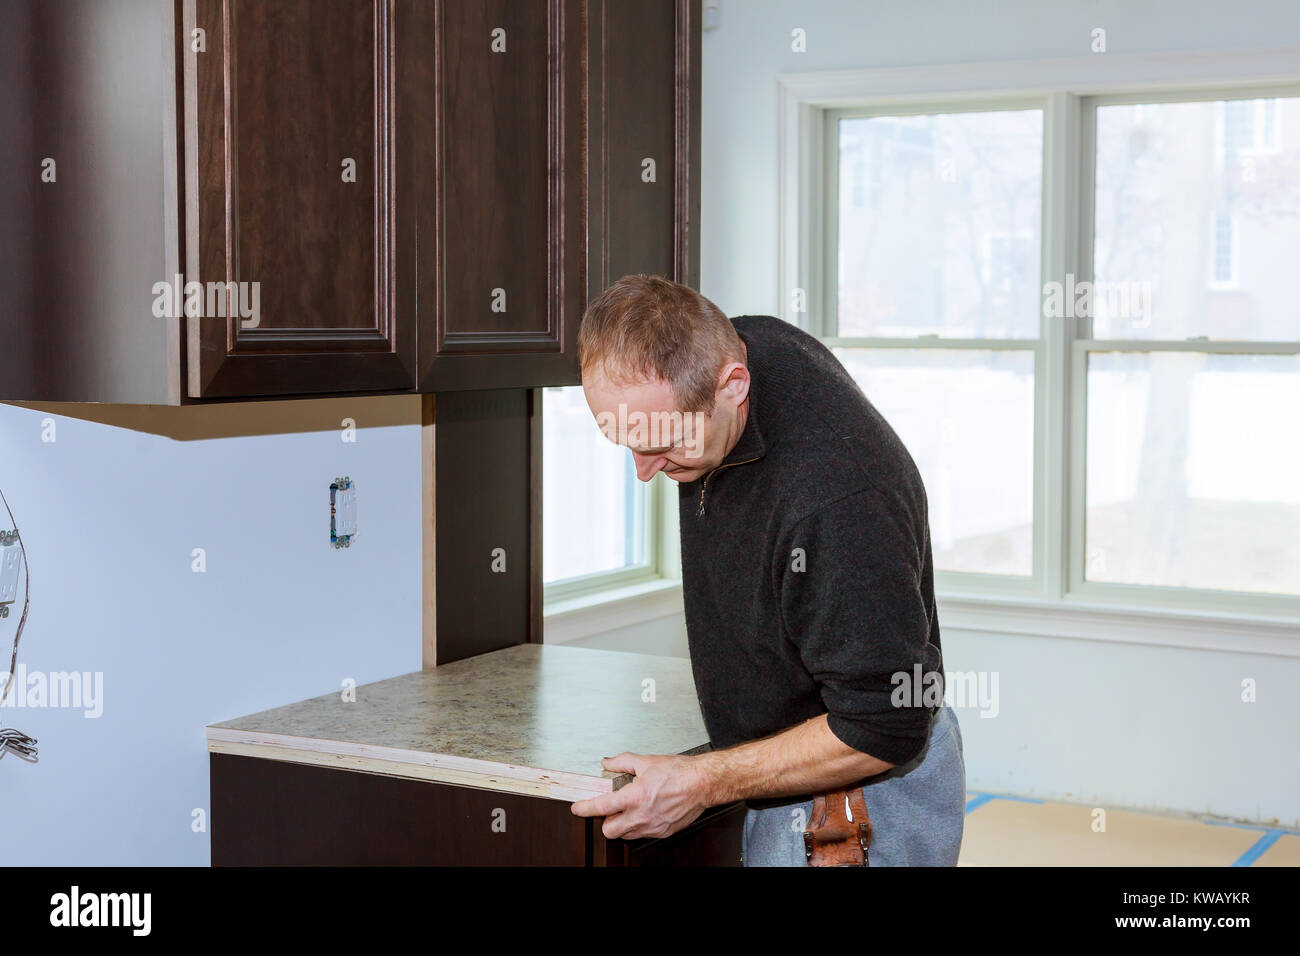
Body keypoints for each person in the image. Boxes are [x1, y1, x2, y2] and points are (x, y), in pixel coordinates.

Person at [569, 274, 965, 866]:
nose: (644, 471)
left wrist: (701, 780)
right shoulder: (734, 343)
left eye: (663, 441)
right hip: (782, 768)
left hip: (858, 796)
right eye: (622, 439)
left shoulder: (840, 503)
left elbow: (886, 722)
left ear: (733, 384)